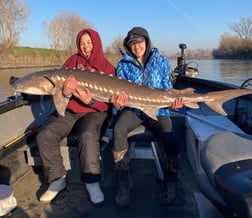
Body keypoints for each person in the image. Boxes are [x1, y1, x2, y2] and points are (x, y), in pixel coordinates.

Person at [36, 28, 116, 205]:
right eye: (82, 43)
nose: (85, 47)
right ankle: (57, 179)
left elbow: (109, 104)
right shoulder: (72, 61)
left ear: (96, 43)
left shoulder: (107, 67)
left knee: (87, 136)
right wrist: (65, 91)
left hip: (95, 112)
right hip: (70, 111)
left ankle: (92, 182)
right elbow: (59, 92)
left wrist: (91, 101)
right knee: (45, 135)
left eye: (89, 43)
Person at [111, 26, 184, 207]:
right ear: (129, 46)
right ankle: (123, 183)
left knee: (171, 137)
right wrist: (117, 104)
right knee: (119, 128)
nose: (137, 47)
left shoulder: (161, 61)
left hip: (158, 111)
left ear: (147, 42)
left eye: (140, 42)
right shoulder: (123, 64)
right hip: (134, 110)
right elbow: (117, 97)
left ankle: (170, 182)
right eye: (133, 44)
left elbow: (168, 87)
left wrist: (175, 102)